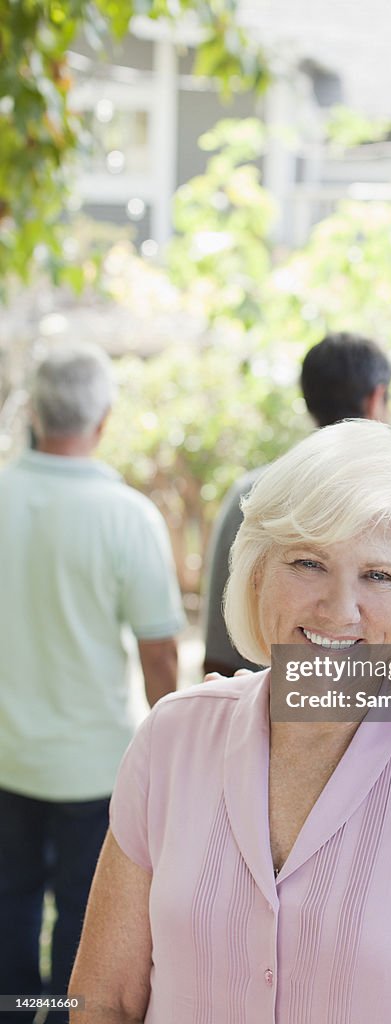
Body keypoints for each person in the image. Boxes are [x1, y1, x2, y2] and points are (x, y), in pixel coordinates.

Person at [70, 420, 391, 1024]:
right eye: (309, 563)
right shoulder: (171, 739)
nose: (340, 609)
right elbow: (104, 1000)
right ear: (258, 572)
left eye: (379, 575)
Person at [0, 343, 185, 1022]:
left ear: (35, 414)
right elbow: (160, 652)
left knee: (10, 905)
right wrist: (173, 750)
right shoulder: (126, 516)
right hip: (90, 764)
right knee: (82, 923)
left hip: (6, 757)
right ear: (103, 420)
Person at [202, 331, 391, 676]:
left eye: (376, 576)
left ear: (307, 400)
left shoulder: (252, 494)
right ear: (376, 399)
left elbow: (219, 647)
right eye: (307, 564)